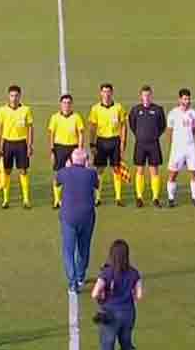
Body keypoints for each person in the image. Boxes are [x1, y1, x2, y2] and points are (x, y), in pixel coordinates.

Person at [92, 239, 144, 350]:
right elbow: (139, 295)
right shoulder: (134, 273)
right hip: (128, 313)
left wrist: (102, 298)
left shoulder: (106, 273)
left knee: (107, 344)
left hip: (109, 314)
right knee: (126, 343)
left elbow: (94, 293)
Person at [58, 148, 98, 293]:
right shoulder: (91, 174)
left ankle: (73, 282)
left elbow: (57, 182)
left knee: (68, 250)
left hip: (68, 217)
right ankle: (80, 276)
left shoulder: (64, 172)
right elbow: (96, 185)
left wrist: (67, 168)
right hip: (87, 216)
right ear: (86, 160)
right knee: (84, 247)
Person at [0, 85, 34, 209]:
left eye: (16, 96)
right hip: (7, 143)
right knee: (7, 171)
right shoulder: (2, 110)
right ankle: (6, 200)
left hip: (21, 143)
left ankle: (26, 200)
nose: (14, 98)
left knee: (23, 170)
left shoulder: (26, 110)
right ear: (8, 96)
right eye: (12, 96)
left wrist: (29, 145)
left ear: (20, 96)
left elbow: (30, 128)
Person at [88, 83, 128, 206]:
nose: (106, 94)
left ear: (112, 93)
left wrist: (122, 143)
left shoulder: (118, 107)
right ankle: (97, 198)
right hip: (101, 141)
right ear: (100, 93)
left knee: (116, 169)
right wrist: (92, 144)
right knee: (99, 170)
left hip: (115, 140)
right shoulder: (95, 109)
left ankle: (118, 197)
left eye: (108, 92)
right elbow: (92, 128)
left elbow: (123, 126)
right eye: (104, 92)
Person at [128, 86, 166, 208]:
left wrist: (154, 135)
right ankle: (139, 197)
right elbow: (132, 125)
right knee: (140, 170)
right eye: (144, 95)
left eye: (148, 95)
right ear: (140, 96)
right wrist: (140, 135)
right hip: (140, 144)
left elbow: (162, 126)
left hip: (154, 144)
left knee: (154, 170)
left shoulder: (158, 110)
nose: (146, 97)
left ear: (151, 96)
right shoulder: (135, 110)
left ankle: (155, 198)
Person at [48, 94, 86, 209]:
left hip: (73, 148)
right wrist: (52, 150)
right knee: (58, 174)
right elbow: (51, 134)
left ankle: (75, 199)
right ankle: (57, 200)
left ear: (71, 105)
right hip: (59, 148)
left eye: (68, 103)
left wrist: (79, 149)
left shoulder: (76, 117)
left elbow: (81, 133)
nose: (66, 105)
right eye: (64, 103)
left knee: (75, 174)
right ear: (61, 104)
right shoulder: (55, 117)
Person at [165, 88, 195, 207]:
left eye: (188, 98)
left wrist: (188, 138)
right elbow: (169, 132)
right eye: (185, 99)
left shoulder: (194, 113)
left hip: (190, 148)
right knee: (173, 174)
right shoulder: (173, 113)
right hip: (177, 149)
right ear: (180, 99)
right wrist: (172, 146)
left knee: (194, 172)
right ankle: (171, 198)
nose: (187, 101)